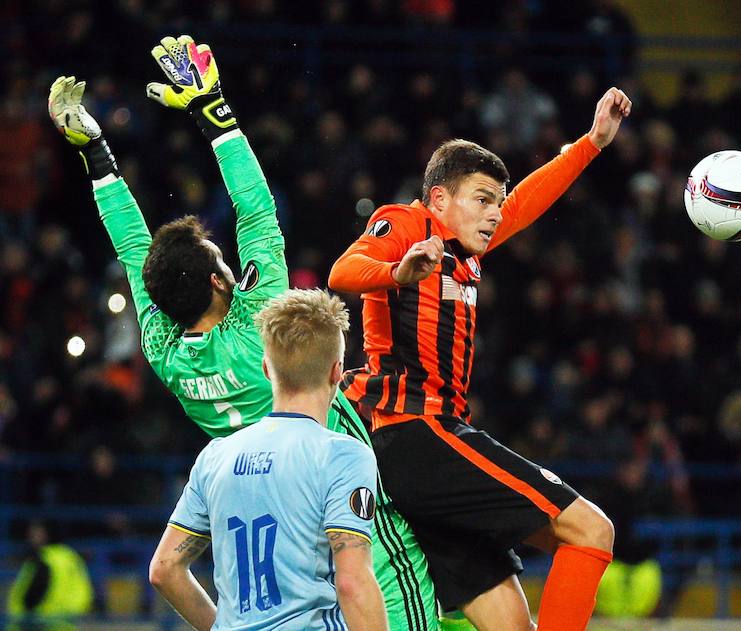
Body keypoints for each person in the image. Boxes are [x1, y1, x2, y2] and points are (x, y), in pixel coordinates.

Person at [49, 35, 453, 631]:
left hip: (252, 498)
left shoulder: (165, 353)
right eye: (222, 261)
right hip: (333, 479)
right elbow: (257, 211)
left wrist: (97, 154)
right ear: (219, 281)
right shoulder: (261, 327)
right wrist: (213, 110)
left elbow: (136, 251)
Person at [330, 86, 632, 630]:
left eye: (498, 199)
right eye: (483, 198)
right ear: (440, 198)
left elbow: (528, 203)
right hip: (412, 433)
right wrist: (398, 272)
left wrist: (591, 143)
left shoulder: (467, 249)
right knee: (591, 530)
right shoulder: (406, 223)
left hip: (430, 444)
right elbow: (343, 272)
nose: (496, 212)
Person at [148, 288, 388, 630]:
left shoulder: (216, 456)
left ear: (265, 368)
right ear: (337, 371)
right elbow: (352, 582)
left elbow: (164, 569)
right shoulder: (343, 456)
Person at [5, 521, 93, 631]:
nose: (30, 535)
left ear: (46, 533)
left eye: (35, 531)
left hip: (37, 624)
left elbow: (33, 593)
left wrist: (27, 618)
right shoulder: (71, 556)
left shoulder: (44, 558)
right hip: (68, 624)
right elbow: (85, 591)